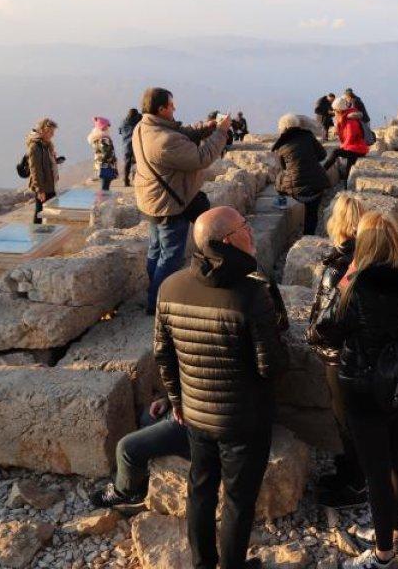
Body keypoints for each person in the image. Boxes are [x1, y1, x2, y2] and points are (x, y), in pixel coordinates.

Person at [153, 205, 289, 569]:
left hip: (195, 414)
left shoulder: (169, 287)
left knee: (200, 490)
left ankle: (202, 564)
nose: (251, 231)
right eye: (246, 225)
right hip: (243, 422)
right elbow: (271, 366)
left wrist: (176, 401)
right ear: (229, 240)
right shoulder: (251, 294)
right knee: (237, 501)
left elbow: (163, 355)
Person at [314, 212, 398, 569]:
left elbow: (326, 331)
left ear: (367, 244)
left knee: (376, 470)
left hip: (363, 386)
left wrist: (342, 286)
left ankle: (383, 555)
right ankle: (393, 529)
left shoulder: (362, 285)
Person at [133, 87, 230, 315]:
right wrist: (221, 133)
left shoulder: (145, 126)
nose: (174, 108)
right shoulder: (164, 141)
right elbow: (201, 158)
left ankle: (152, 294)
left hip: (152, 201)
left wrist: (207, 127)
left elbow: (180, 133)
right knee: (170, 256)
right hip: (169, 204)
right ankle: (159, 305)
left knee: (155, 250)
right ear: (161, 109)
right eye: (171, 105)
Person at [305, 193, 367, 508]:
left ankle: (356, 486)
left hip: (340, 357)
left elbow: (330, 318)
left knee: (346, 421)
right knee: (356, 419)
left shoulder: (339, 264)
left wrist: (311, 333)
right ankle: (349, 472)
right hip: (361, 355)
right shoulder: (366, 257)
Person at [89, 395, 190, 509]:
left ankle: (125, 493)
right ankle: (139, 480)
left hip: (197, 424)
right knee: (147, 417)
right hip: (187, 408)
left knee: (126, 449)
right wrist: (170, 400)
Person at [272, 115, 330, 236]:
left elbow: (284, 168)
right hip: (317, 187)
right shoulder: (308, 136)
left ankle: (281, 201)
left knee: (279, 178)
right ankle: (308, 236)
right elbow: (323, 155)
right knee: (312, 213)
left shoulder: (281, 146)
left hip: (297, 192)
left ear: (283, 128)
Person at [322, 98, 370, 186]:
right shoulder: (346, 118)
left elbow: (350, 137)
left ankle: (322, 171)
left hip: (357, 149)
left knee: (336, 152)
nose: (334, 112)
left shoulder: (350, 121)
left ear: (339, 110)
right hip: (356, 148)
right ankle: (346, 186)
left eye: (335, 110)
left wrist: (342, 147)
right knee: (349, 168)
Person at [25, 118, 61, 224]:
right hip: (43, 186)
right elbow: (35, 170)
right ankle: (37, 236)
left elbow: (46, 164)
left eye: (53, 132)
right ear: (42, 130)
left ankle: (46, 234)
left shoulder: (46, 145)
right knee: (40, 212)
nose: (52, 135)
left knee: (48, 211)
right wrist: (40, 190)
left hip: (49, 183)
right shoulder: (35, 147)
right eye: (50, 132)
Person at [88, 117, 119, 191]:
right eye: (107, 126)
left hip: (101, 166)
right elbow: (107, 152)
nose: (108, 128)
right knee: (105, 188)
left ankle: (101, 200)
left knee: (104, 186)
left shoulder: (97, 139)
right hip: (106, 166)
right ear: (104, 127)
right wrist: (112, 160)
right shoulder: (104, 139)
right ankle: (102, 201)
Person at [119, 108, 142, 187]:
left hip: (126, 145)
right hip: (136, 144)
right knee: (137, 162)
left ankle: (126, 180)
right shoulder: (138, 121)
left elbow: (120, 131)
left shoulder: (124, 121)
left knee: (127, 163)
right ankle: (135, 179)